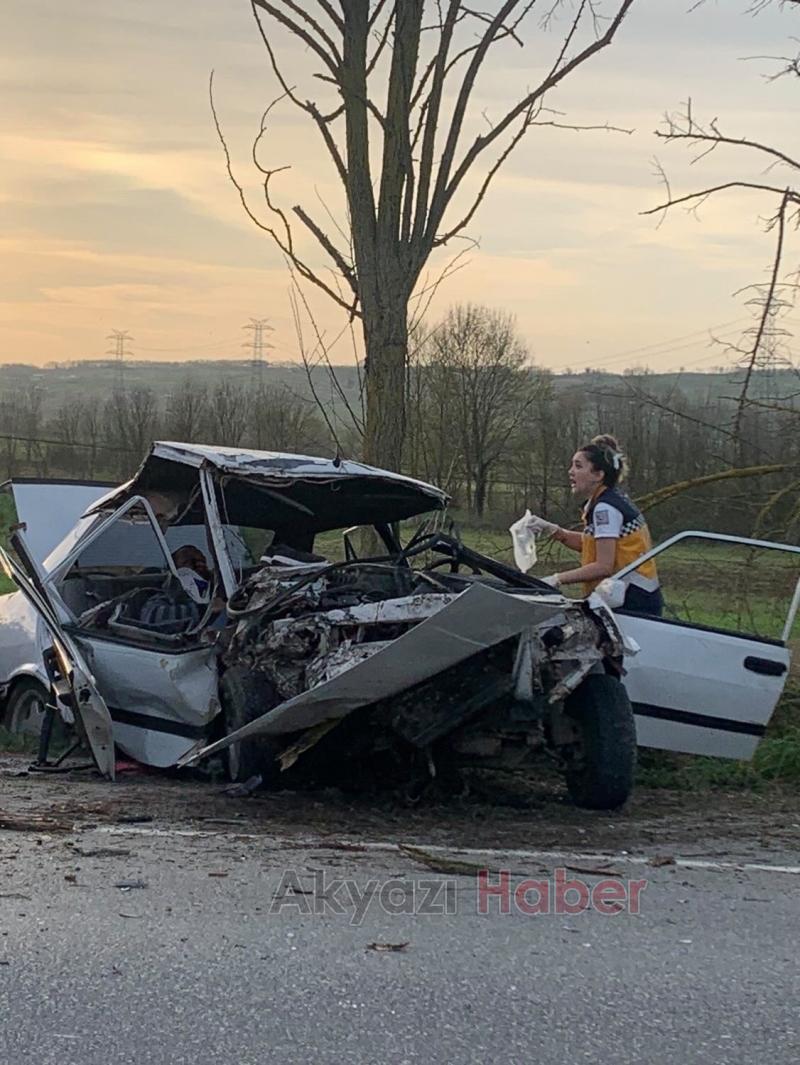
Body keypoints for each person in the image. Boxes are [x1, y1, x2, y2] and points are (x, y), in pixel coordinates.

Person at [527, 434, 663, 616]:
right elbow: (594, 545)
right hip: (633, 596)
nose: (570, 471)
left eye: (578, 466)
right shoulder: (611, 499)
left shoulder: (605, 508)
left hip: (632, 601)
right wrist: (556, 531)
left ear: (598, 475)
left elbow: (603, 566)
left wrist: (557, 579)